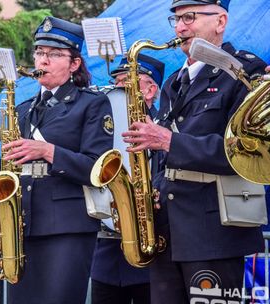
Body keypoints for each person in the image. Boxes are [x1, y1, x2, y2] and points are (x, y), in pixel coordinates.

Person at [122, 0, 267, 303]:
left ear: (220, 21)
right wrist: (153, 190)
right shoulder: (174, 82)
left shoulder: (243, 71)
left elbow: (248, 150)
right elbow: (164, 158)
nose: (179, 28)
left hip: (214, 233)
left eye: (190, 17)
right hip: (167, 232)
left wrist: (169, 142)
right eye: (174, 19)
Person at [1, 16, 113, 304]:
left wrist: (48, 151)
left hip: (68, 225)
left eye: (53, 54)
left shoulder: (92, 103)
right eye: (39, 52)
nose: (43, 60)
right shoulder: (23, 109)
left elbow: (98, 168)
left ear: (74, 63)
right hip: (24, 223)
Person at [90, 54, 165, 304]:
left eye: (127, 82)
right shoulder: (105, 125)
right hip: (108, 251)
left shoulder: (167, 126)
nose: (118, 88)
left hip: (152, 247)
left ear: (150, 89)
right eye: (117, 82)